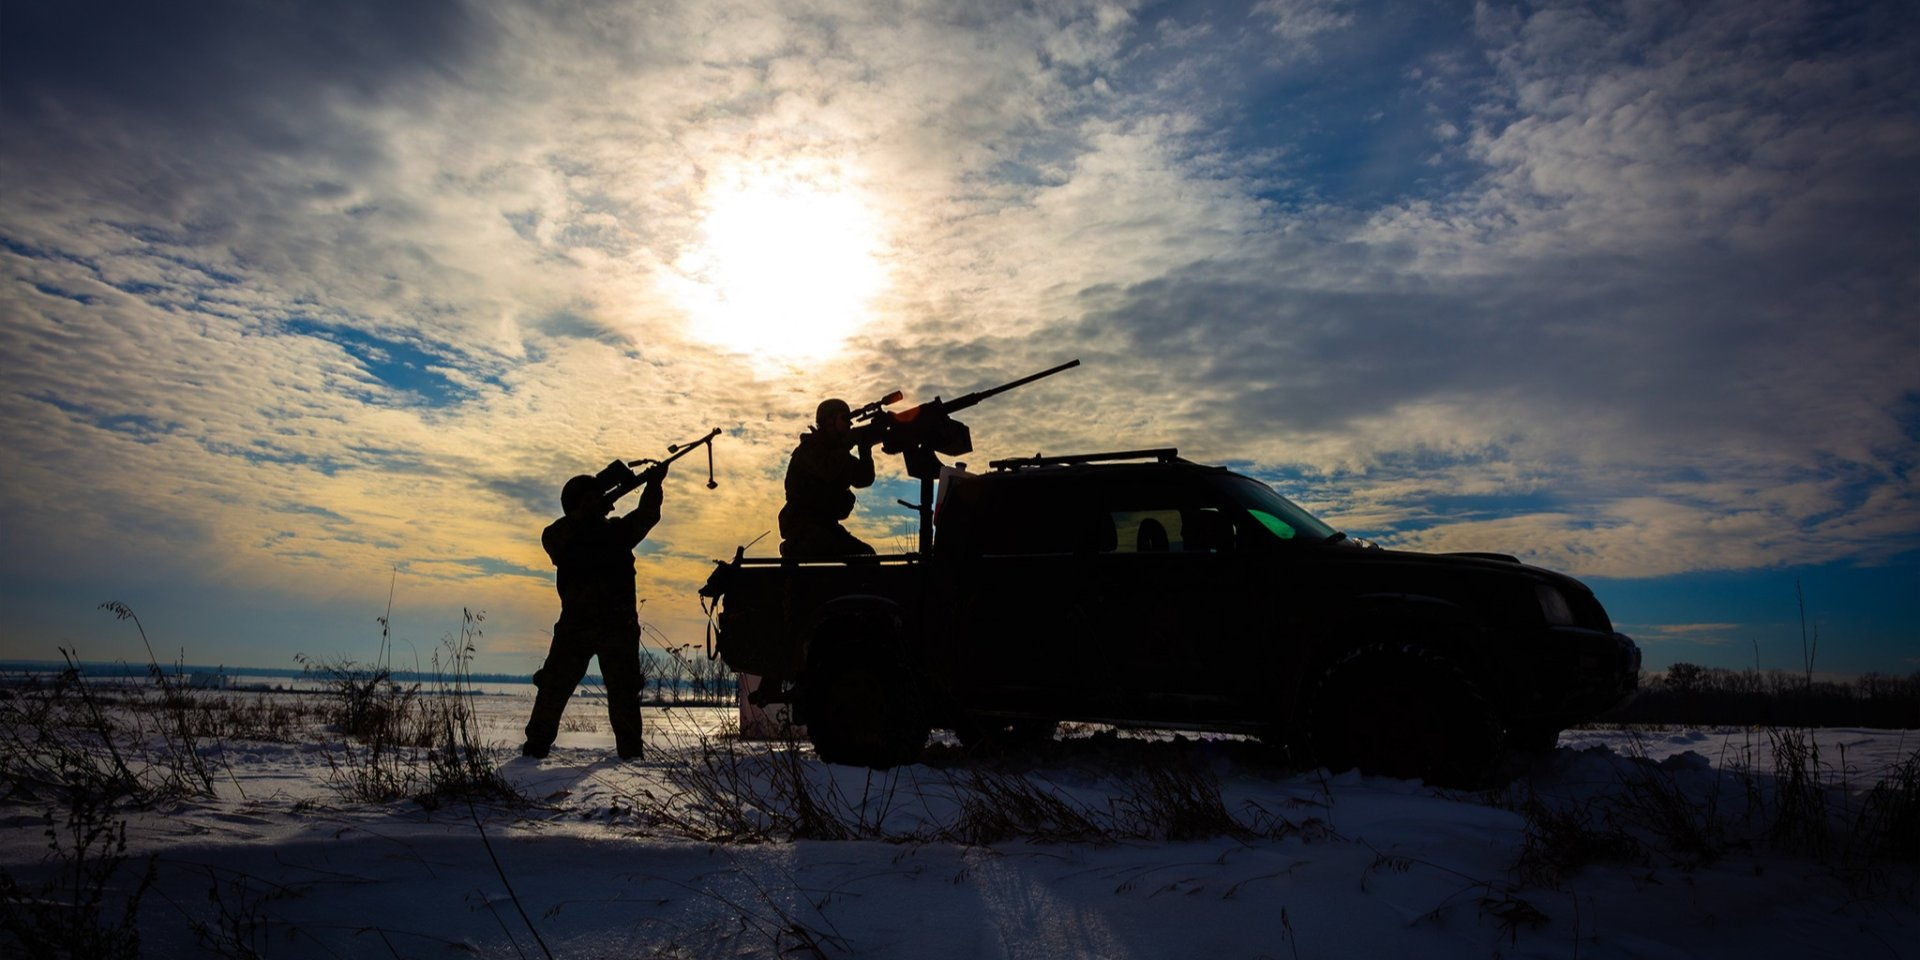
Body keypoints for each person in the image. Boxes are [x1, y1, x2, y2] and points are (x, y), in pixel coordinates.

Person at [520, 460, 666, 760]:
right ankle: (534, 752)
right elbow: (556, 535)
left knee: (624, 694)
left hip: (618, 627)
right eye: (589, 499)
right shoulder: (561, 535)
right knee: (553, 689)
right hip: (576, 626)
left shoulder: (615, 532)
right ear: (575, 506)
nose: (598, 504)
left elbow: (647, 515)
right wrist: (594, 501)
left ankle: (630, 758)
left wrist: (653, 485)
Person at [778, 398, 877, 557]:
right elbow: (827, 471)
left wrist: (865, 448)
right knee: (823, 546)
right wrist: (848, 442)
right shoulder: (808, 449)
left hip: (827, 526)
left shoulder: (840, 454)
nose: (848, 425)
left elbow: (863, 479)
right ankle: (792, 548)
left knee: (866, 555)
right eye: (843, 419)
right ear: (828, 421)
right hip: (802, 525)